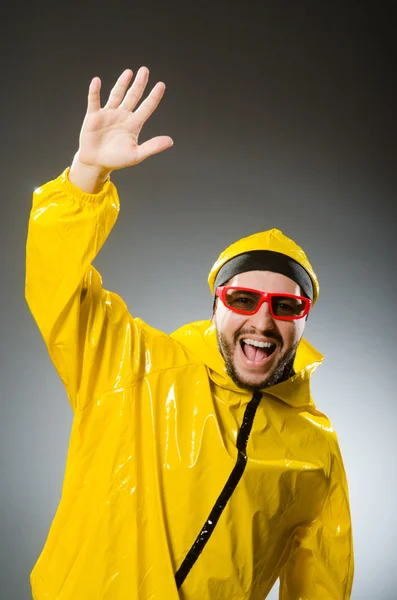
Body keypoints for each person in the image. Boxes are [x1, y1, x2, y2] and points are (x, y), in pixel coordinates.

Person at [25, 67, 354, 599]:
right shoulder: (132, 363)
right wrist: (86, 173)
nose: (262, 321)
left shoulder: (316, 451)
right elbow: (54, 287)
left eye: (286, 305)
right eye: (243, 299)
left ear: (303, 318)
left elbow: (321, 582)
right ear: (217, 305)